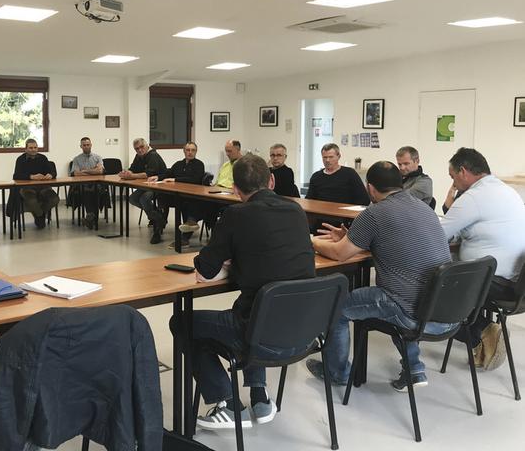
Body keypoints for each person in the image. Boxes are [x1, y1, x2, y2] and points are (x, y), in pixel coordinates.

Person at [171, 154, 315, 430]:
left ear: (235, 189)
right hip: (303, 332)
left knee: (182, 321)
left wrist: (230, 258)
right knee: (253, 305)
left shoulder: (235, 215)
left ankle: (227, 402)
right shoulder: (296, 210)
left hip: (259, 334)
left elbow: (205, 272)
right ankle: (259, 396)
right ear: (271, 181)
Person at [307, 161, 454, 391]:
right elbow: (397, 243)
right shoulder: (424, 208)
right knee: (405, 288)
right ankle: (414, 369)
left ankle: (337, 373)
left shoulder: (374, 213)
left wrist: (312, 241)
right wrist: (352, 237)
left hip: (411, 312)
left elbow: (339, 254)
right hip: (444, 310)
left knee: (336, 307)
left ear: (370, 188)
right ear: (401, 184)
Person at [440, 148, 525, 370]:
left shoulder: (473, 197)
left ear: (463, 171)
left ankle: (482, 332)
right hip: (515, 283)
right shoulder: (507, 191)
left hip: (494, 281)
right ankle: (483, 330)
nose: (453, 184)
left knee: (430, 291)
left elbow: (438, 233)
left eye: (452, 177)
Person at [306, 143, 369, 232]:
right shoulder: (316, 176)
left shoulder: (349, 174)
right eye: (325, 157)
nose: (327, 160)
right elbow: (309, 200)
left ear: (339, 156)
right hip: (321, 219)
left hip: (344, 220)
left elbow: (363, 199)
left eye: (331, 157)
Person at [119, 138, 168, 244]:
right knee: (132, 199)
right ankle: (157, 216)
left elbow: (149, 173)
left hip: (159, 185)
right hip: (146, 185)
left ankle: (156, 220)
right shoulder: (139, 156)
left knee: (144, 198)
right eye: (137, 149)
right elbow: (133, 168)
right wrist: (126, 172)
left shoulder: (153, 155)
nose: (140, 150)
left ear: (147, 146)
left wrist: (132, 175)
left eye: (141, 147)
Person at [159, 142, 206, 249]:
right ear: (184, 151)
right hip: (178, 195)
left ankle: (184, 238)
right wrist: (157, 177)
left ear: (196, 152)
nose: (190, 152)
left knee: (187, 204)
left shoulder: (199, 164)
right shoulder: (178, 164)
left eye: (193, 150)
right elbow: (168, 173)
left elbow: (196, 180)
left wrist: (176, 179)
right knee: (161, 195)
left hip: (192, 196)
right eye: (188, 150)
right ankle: (160, 222)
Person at [13, 139, 60, 229]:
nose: (33, 149)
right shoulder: (20, 159)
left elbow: (52, 172)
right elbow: (16, 176)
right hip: (27, 188)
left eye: (35, 147)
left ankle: (39, 215)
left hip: (43, 187)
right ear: (26, 149)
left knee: (55, 199)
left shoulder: (43, 158)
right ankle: (40, 216)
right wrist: (31, 177)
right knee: (32, 201)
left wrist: (51, 175)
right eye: (30, 148)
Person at [69, 137, 105, 230]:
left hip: (97, 184)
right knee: (86, 190)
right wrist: (93, 170)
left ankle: (90, 217)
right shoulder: (77, 159)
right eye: (84, 145)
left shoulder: (98, 158)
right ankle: (92, 217)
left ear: (91, 145)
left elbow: (100, 172)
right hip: (82, 185)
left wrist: (84, 171)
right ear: (81, 146)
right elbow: (75, 173)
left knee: (95, 190)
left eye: (88, 145)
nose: (86, 147)